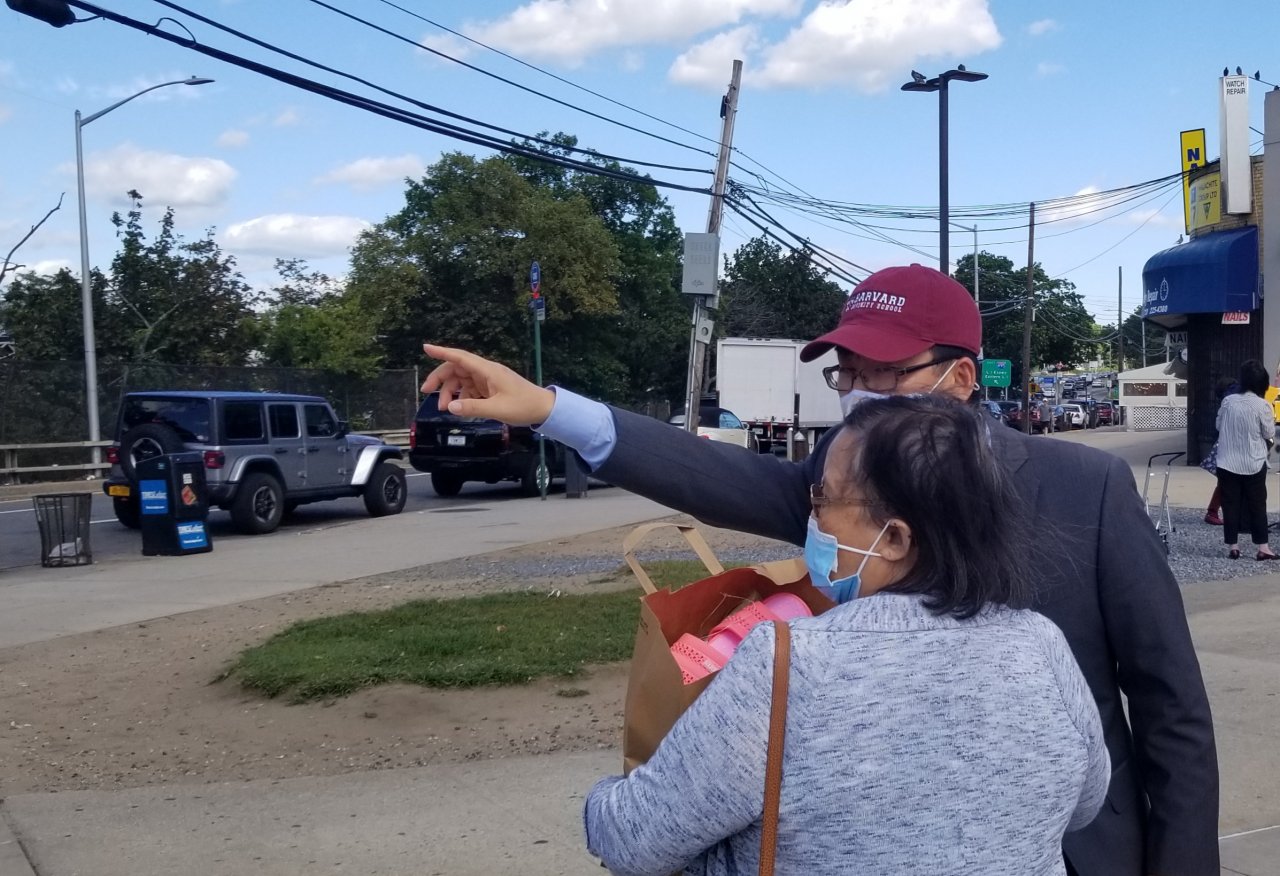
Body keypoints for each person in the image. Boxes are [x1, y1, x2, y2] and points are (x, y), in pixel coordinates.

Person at [422, 262, 1220, 876]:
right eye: (849, 373)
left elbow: (1169, 702)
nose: (860, 395)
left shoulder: (1086, 488)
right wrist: (549, 409)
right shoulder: (837, 482)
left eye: (885, 373)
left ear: (960, 378)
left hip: (1072, 850)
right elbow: (710, 475)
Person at [583, 395, 1110, 875]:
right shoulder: (1040, 644)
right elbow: (1087, 801)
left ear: (895, 538)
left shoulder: (788, 662)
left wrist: (603, 799)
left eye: (823, 502)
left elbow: (636, 840)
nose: (813, 522)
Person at [1214, 359, 1277, 560]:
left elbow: (1218, 426)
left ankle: (1233, 546)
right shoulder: (1262, 405)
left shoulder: (1228, 401)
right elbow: (1268, 432)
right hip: (1254, 461)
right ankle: (1263, 547)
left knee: (1230, 503)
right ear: (1262, 382)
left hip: (1227, 461)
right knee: (1257, 504)